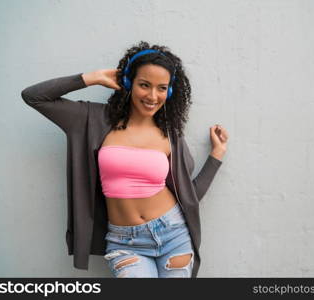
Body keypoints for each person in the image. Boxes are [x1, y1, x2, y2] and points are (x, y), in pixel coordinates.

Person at [21, 41, 229, 278]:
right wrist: (92, 77)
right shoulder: (92, 119)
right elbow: (34, 97)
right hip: (124, 242)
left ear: (169, 91)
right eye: (144, 85)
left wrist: (216, 156)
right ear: (129, 83)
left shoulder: (170, 134)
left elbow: (188, 196)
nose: (153, 96)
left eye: (162, 88)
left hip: (173, 234)